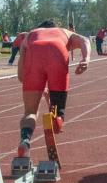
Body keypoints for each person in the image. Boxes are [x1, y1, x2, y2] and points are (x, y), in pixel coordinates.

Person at [14, 20, 91, 160]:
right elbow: (84, 40)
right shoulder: (63, 32)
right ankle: (56, 116)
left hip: (33, 54)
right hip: (57, 52)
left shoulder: (30, 35)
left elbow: (21, 76)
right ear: (54, 27)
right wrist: (86, 59)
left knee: (30, 112)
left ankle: (25, 141)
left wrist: (37, 87)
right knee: (57, 114)